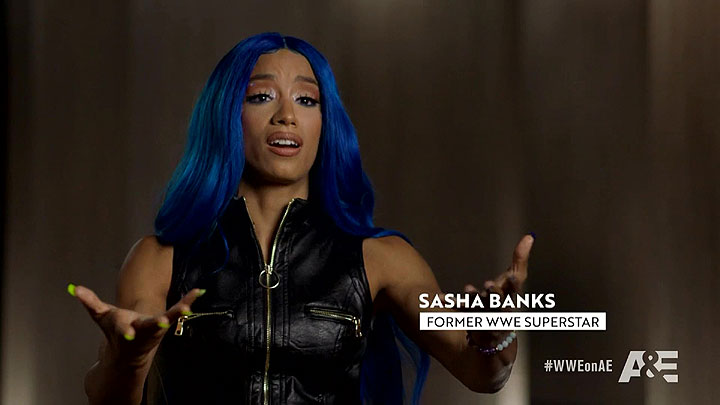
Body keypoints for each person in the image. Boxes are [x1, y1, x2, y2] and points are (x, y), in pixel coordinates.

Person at [68, 32, 534, 405]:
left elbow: (482, 372)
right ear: (227, 114)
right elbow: (108, 398)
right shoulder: (160, 258)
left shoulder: (382, 260)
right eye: (261, 96)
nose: (287, 115)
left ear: (325, 123)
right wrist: (128, 360)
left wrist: (499, 332)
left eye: (307, 101)